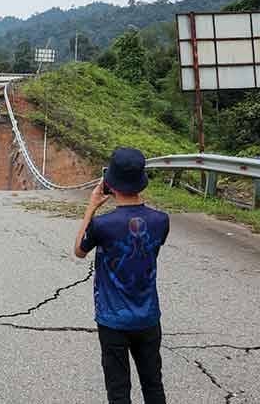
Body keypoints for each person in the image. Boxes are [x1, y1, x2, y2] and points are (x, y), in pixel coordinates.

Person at [74, 147, 170, 404]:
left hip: (112, 320)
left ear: (109, 183)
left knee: (118, 391)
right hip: (149, 317)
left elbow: (79, 251)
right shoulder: (161, 220)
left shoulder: (102, 225)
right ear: (141, 182)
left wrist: (92, 206)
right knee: (153, 385)